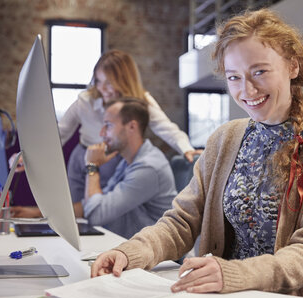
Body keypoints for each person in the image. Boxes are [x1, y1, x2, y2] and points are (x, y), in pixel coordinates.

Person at [91, 9, 303, 298]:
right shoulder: (224, 138)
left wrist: (232, 275)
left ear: (292, 66)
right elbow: (181, 221)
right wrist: (132, 253)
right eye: (234, 77)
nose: (247, 90)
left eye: (260, 71)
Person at [11, 49, 201, 203]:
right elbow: (59, 134)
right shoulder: (85, 100)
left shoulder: (139, 101)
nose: (102, 89)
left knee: (104, 213)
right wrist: (28, 158)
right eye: (99, 81)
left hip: (114, 161)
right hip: (83, 157)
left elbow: (166, 128)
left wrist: (187, 149)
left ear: (124, 81)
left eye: (109, 83)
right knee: (77, 209)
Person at [12, 98, 177, 239]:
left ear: (132, 127)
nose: (102, 132)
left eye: (108, 125)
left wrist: (92, 166)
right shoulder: (128, 162)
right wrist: (37, 213)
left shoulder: (148, 167)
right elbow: (91, 205)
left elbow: (96, 215)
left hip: (162, 263)